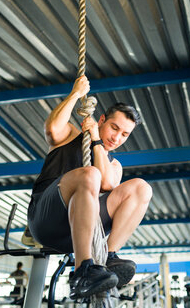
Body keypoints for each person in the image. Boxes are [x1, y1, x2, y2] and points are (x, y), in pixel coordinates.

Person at [27, 75, 153, 299]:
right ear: (102, 119)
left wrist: (97, 141)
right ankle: (82, 271)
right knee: (89, 174)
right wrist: (75, 93)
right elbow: (52, 127)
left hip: (82, 232)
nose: (117, 138)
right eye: (114, 128)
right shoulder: (72, 136)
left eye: (125, 134)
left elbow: (108, 183)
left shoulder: (114, 165)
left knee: (141, 188)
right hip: (47, 221)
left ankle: (108, 257)